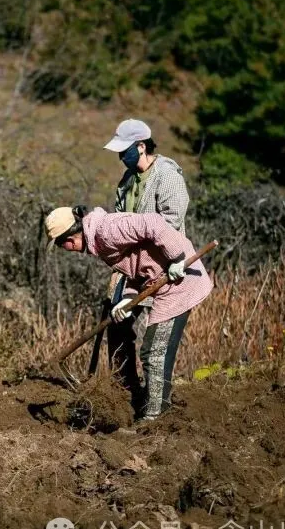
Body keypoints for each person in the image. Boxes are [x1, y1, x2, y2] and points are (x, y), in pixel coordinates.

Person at [44, 206, 212, 420]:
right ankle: (154, 409)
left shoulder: (107, 231)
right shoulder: (98, 242)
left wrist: (177, 258)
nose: (64, 249)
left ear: (71, 238)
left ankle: (156, 418)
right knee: (152, 351)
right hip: (163, 284)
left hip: (181, 280)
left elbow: (154, 223)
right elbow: (136, 269)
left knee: (155, 353)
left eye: (61, 244)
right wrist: (126, 300)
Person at [102, 119, 190, 414]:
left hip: (166, 270)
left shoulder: (167, 176)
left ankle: (156, 411)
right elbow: (117, 223)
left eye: (124, 150)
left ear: (141, 146)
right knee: (115, 326)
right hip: (132, 270)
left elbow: (171, 224)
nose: (120, 156)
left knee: (156, 349)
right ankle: (125, 398)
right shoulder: (126, 182)